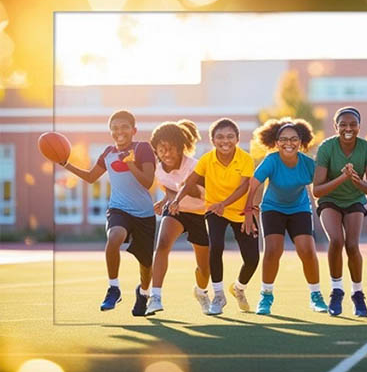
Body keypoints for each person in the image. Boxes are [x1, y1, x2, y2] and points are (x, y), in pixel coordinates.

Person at [61, 110, 156, 316]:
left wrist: (130, 163)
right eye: (114, 128)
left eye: (124, 127)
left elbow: (148, 182)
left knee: (146, 265)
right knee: (114, 237)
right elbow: (90, 177)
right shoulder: (108, 152)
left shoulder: (143, 148)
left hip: (144, 215)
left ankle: (144, 293)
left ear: (134, 130)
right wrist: (65, 164)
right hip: (118, 209)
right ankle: (114, 288)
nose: (119, 131)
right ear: (110, 132)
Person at [170, 118, 259, 316]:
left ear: (236, 139)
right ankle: (218, 295)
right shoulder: (206, 159)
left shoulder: (245, 158)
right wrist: (176, 200)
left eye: (229, 137)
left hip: (241, 211)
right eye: (219, 137)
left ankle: (238, 288)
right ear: (212, 140)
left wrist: (226, 205)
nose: (224, 141)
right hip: (214, 211)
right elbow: (189, 182)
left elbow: (244, 186)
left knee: (252, 259)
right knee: (216, 246)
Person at [243, 118, 328, 315]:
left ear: (301, 141)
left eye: (293, 139)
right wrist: (249, 211)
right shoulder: (271, 160)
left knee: (307, 250)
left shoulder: (307, 163)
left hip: (299, 208)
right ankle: (266, 296)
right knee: (273, 250)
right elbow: (254, 184)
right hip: (273, 208)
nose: (288, 143)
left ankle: (316, 296)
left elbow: (321, 187)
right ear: (276, 141)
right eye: (283, 139)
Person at [313, 107, 367, 317]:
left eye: (352, 124)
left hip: (354, 201)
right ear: (336, 127)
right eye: (343, 124)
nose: (348, 128)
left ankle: (358, 294)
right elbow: (317, 190)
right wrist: (343, 178)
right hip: (329, 200)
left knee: (352, 245)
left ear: (359, 126)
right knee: (336, 241)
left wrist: (357, 181)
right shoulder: (326, 148)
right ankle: (336, 290)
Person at [145, 120, 211, 315]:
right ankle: (155, 297)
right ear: (156, 150)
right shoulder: (158, 169)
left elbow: (203, 195)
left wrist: (186, 190)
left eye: (171, 149)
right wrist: (166, 200)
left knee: (204, 268)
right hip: (176, 211)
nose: (166, 154)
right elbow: (170, 187)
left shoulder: (196, 167)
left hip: (200, 213)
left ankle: (201, 292)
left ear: (181, 147)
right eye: (161, 149)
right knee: (163, 243)